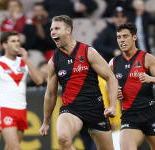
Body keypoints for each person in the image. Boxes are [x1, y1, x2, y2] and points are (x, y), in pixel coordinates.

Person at [39, 15, 118, 150]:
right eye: (52, 29)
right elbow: (51, 94)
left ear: (68, 30)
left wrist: (113, 106)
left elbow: (111, 78)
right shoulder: (53, 61)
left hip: (95, 109)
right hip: (71, 110)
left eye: (57, 28)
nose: (52, 32)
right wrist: (46, 122)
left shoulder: (88, 52)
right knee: (63, 138)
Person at [109, 23, 155, 150]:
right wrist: (116, 92)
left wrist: (151, 79)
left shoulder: (147, 58)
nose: (122, 40)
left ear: (134, 37)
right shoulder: (113, 63)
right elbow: (110, 85)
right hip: (129, 116)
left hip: (150, 113)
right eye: (119, 37)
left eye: (125, 36)